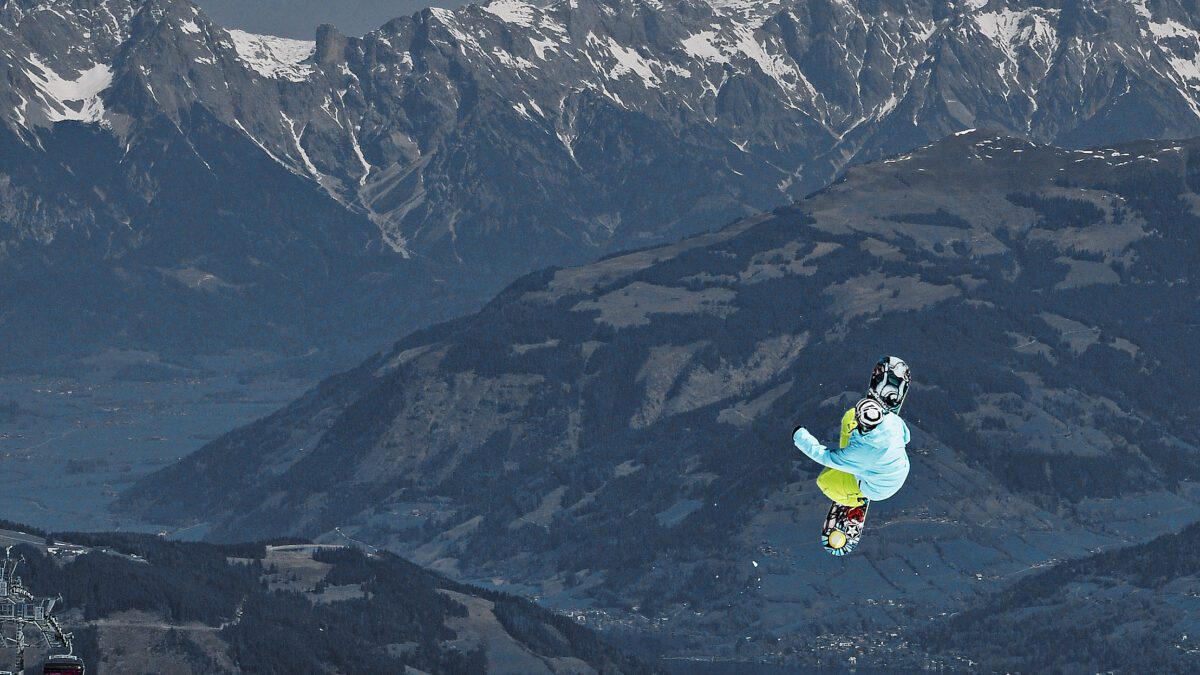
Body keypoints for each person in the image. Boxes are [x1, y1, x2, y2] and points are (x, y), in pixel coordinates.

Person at [792, 357, 912, 514]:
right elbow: (906, 438)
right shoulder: (892, 420)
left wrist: (799, 435)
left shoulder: (859, 453)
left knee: (825, 481)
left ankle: (856, 499)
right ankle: (862, 471)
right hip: (898, 469)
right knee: (849, 417)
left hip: (878, 489)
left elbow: (823, 456)